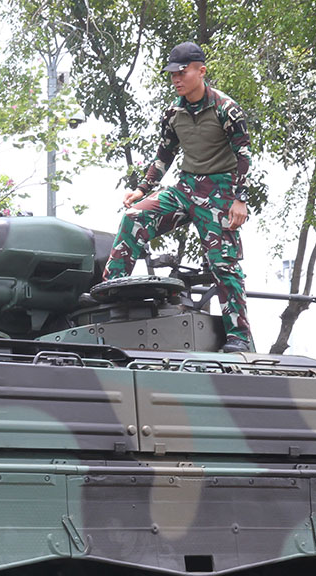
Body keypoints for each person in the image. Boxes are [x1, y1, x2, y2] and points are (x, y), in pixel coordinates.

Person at [105, 41, 254, 353]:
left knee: (222, 263)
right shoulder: (174, 112)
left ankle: (239, 337)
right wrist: (142, 190)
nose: (176, 78)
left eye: (182, 72)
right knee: (134, 218)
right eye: (172, 73)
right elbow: (164, 155)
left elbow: (244, 156)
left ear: (201, 71)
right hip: (185, 188)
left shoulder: (227, 110)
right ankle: (110, 292)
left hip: (220, 192)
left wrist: (239, 199)